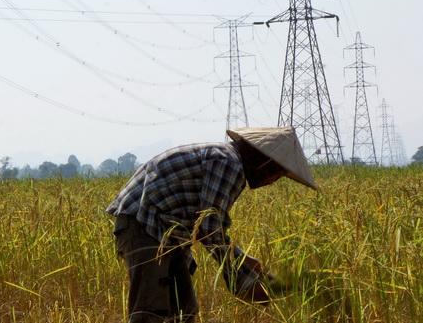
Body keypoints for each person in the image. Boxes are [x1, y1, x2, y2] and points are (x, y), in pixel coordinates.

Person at [106, 127, 317, 323]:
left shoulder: (228, 160)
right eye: (276, 174)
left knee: (184, 310)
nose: (271, 181)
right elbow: (208, 229)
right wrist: (244, 281)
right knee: (151, 310)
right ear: (264, 162)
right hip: (144, 224)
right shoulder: (229, 163)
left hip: (165, 232)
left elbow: (208, 225)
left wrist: (244, 260)